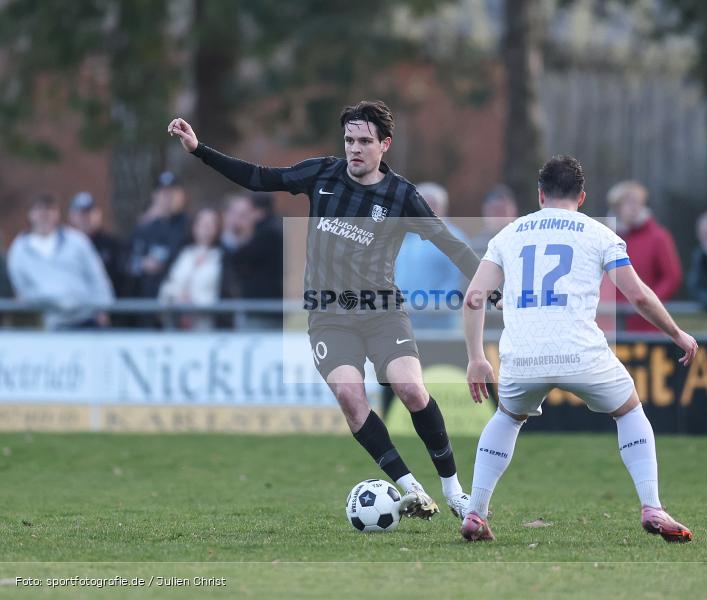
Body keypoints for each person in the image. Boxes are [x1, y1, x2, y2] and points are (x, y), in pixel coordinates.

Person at [168, 100, 490, 520]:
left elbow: (452, 245)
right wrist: (199, 149)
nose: (355, 148)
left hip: (381, 310)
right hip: (328, 314)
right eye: (349, 140)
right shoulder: (322, 173)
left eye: (365, 141)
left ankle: (454, 491)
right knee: (349, 396)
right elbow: (259, 179)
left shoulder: (402, 196)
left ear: (384, 145)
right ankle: (411, 489)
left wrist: (489, 286)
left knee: (410, 390)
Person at [461, 155, 697, 543]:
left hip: (522, 356)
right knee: (629, 410)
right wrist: (677, 333)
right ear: (582, 197)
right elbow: (637, 295)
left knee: (506, 418)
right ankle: (652, 505)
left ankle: (475, 513)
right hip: (580, 353)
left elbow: (473, 298)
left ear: (539, 195)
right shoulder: (600, 234)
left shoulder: (509, 234)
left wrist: (476, 359)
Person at [7, 194, 114, 329]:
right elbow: (21, 286)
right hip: (46, 323)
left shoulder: (77, 241)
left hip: (84, 318)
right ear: (30, 214)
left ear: (57, 214)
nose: (44, 215)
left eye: (49, 210)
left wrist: (102, 308)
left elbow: (97, 277)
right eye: (39, 210)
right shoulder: (19, 249)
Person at [603, 181, 682, 332]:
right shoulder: (606, 237)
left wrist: (647, 304)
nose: (633, 207)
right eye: (627, 202)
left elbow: (672, 277)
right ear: (617, 207)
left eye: (637, 202)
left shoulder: (659, 237)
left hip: (647, 324)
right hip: (609, 323)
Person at [395, 182, 469, 330]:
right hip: (408, 317)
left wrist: (437, 304)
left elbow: (462, 280)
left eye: (432, 204)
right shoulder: (406, 239)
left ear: (442, 207)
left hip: (441, 320)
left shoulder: (455, 238)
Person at [218, 191, 284, 328]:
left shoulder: (267, 233)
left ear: (257, 211)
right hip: (261, 308)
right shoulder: (271, 230)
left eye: (246, 213)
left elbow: (239, 258)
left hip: (262, 310)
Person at [125, 171, 190, 300]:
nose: (168, 197)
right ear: (154, 196)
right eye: (163, 193)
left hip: (177, 299)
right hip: (146, 299)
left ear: (182, 195)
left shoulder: (190, 225)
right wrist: (143, 264)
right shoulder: (145, 227)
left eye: (172, 192)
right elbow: (127, 261)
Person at [158, 208, 223, 330]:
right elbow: (168, 285)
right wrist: (178, 299)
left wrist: (194, 303)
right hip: (177, 324)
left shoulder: (222, 257)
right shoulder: (182, 254)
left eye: (211, 224)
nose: (206, 229)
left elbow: (224, 293)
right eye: (202, 224)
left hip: (207, 326)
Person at [68, 192, 126, 296]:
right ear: (72, 216)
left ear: (99, 214)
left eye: (90, 213)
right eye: (81, 214)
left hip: (108, 305)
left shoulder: (112, 245)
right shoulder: (64, 246)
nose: (86, 218)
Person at [470, 185, 519, 258]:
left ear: (514, 211)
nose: (498, 217)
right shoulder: (477, 245)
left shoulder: (526, 238)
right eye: (494, 211)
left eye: (502, 211)